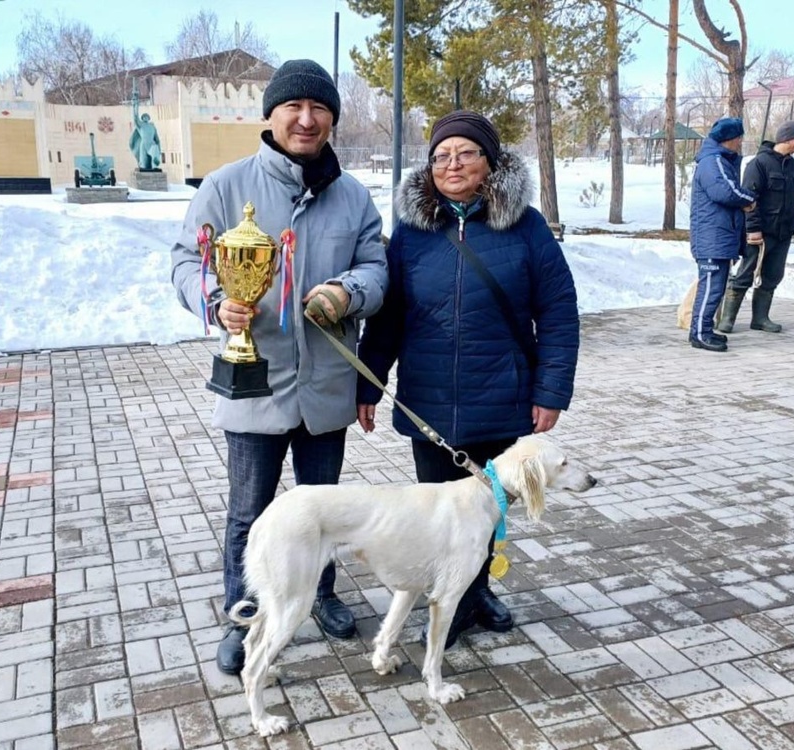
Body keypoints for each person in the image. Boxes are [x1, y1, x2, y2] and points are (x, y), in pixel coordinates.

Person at [170, 59, 388, 676]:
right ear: (270, 115)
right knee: (250, 510)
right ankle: (244, 613)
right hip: (254, 381)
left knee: (323, 508)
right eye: (293, 106)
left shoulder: (352, 197)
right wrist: (215, 299)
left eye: (319, 108)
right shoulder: (225, 186)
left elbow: (377, 268)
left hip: (325, 386)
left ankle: (319, 595)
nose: (306, 118)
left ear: (331, 121)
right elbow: (186, 261)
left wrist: (348, 291)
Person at [356, 110, 579, 650]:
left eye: (466, 153)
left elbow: (558, 310)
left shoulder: (524, 226)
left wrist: (550, 392)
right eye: (441, 156)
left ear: (491, 162)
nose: (452, 164)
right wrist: (368, 382)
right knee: (437, 515)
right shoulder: (412, 232)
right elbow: (388, 316)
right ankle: (443, 597)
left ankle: (476, 592)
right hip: (429, 402)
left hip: (503, 398)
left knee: (489, 510)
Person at [717, 120, 794, 334]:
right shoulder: (759, 164)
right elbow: (749, 200)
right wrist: (752, 229)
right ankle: (727, 320)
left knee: (773, 275)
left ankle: (760, 319)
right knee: (745, 274)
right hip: (760, 233)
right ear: (788, 138)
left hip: (783, 232)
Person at [688, 117, 757, 352]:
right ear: (730, 139)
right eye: (738, 138)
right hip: (712, 237)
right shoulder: (712, 161)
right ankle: (699, 334)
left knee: (715, 288)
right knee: (710, 288)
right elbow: (725, 191)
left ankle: (704, 330)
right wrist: (749, 200)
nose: (740, 142)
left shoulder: (718, 160)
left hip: (718, 236)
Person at [130, 90, 162, 171]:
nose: (145, 118)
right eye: (144, 117)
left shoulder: (152, 126)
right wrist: (135, 105)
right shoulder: (141, 125)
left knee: (155, 152)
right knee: (143, 164)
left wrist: (159, 149)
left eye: (146, 116)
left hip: (152, 144)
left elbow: (157, 139)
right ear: (142, 118)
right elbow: (135, 117)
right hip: (143, 144)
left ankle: (155, 167)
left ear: (149, 118)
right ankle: (144, 167)